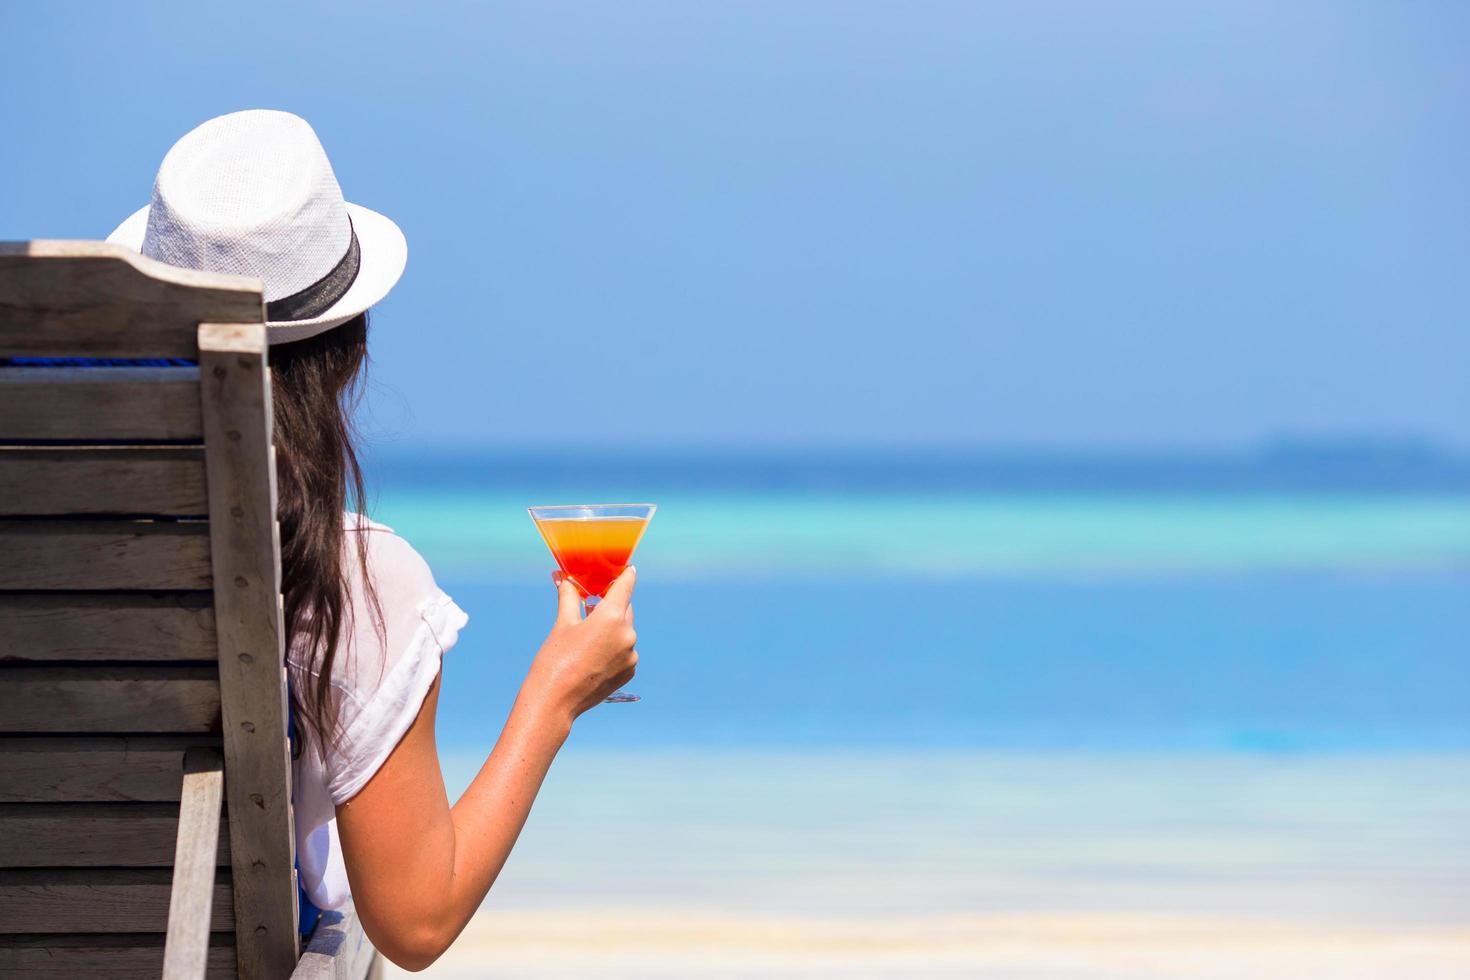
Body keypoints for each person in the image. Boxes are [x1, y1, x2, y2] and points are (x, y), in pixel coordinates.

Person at [107, 109, 639, 971]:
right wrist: (555, 695)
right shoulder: (349, 578)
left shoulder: (53, 550)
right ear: (349, 353)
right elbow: (417, 922)